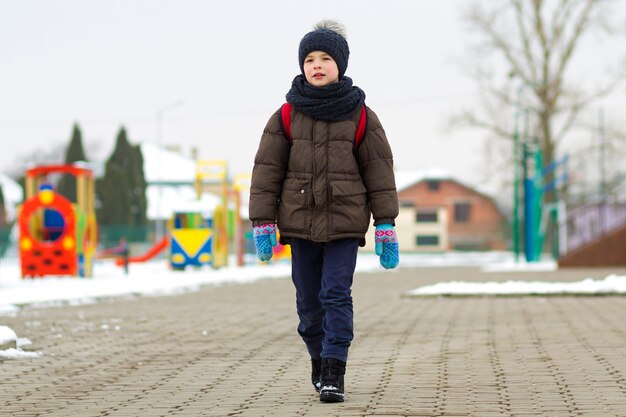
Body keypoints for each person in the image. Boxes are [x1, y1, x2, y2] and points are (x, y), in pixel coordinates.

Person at [249, 19, 399, 403]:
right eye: (310, 59)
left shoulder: (360, 115)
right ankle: (318, 358)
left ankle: (334, 368)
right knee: (308, 305)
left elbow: (379, 170)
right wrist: (263, 221)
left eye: (326, 58)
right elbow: (267, 172)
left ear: (341, 65)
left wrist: (385, 224)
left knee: (335, 293)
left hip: (344, 225)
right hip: (299, 224)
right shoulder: (285, 115)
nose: (317, 65)